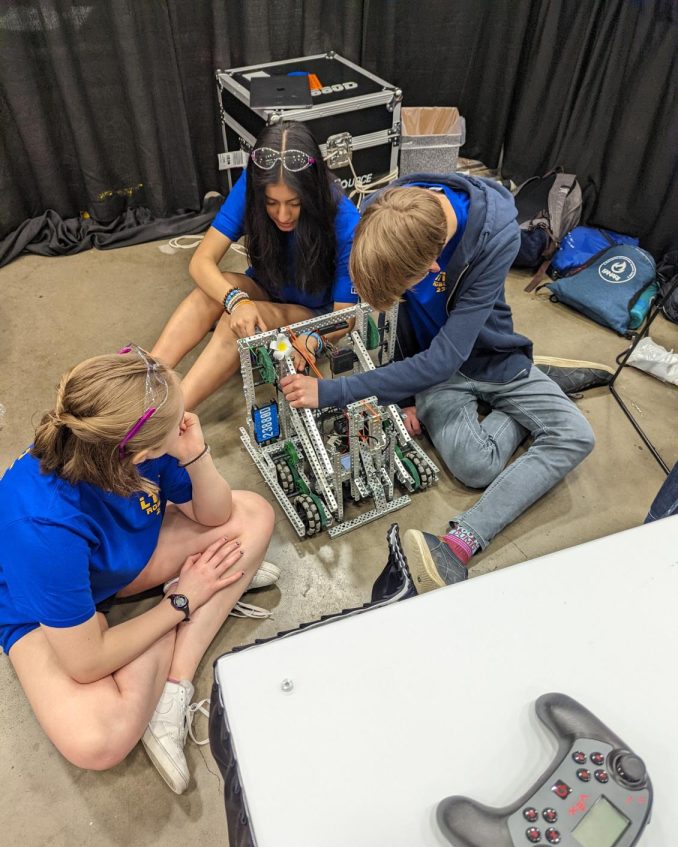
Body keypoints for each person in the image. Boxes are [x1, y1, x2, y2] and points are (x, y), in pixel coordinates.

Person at [281, 175, 596, 592]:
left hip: (487, 357)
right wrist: (402, 395)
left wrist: (335, 393)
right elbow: (404, 328)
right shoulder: (384, 210)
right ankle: (532, 393)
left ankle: (460, 541)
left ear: (434, 267)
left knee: (578, 435)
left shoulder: (495, 236)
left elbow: (444, 358)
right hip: (434, 371)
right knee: (476, 466)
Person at [0, 347, 275, 794]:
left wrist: (195, 453)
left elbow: (216, 514)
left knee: (253, 517)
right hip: (38, 606)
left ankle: (173, 684)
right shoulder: (42, 524)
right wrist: (183, 600)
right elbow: (85, 663)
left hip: (116, 562)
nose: (187, 419)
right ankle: (198, 597)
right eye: (178, 421)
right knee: (98, 740)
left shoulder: (130, 442)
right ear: (138, 452)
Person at [152, 121, 360, 409]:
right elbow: (201, 261)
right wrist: (235, 300)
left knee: (231, 323)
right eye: (271, 203)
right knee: (211, 293)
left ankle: (167, 416)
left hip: (311, 315)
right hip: (265, 287)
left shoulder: (345, 220)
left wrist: (313, 338)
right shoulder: (253, 184)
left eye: (295, 203)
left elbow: (345, 316)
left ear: (312, 192)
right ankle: (144, 378)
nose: (283, 214)